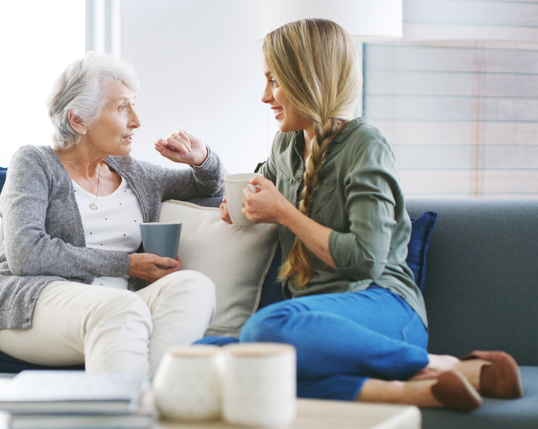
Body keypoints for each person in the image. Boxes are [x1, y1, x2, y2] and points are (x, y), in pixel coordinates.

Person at [213, 19, 522, 411]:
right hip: (317, 324)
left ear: (308, 79)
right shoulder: (285, 145)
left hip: (383, 312)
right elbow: (259, 188)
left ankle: (435, 363)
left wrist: (285, 214)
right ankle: (410, 391)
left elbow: (366, 260)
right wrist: (238, 207)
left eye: (275, 81)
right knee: (208, 353)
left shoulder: (365, 144)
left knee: (265, 329)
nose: (264, 96)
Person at [0, 52, 225, 378]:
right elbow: (25, 253)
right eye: (122, 107)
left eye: (133, 105)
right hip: (26, 301)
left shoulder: (135, 174)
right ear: (78, 120)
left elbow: (207, 183)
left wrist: (201, 159)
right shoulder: (35, 163)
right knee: (120, 309)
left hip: (114, 307)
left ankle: (151, 401)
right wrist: (127, 265)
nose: (136, 121)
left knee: (194, 286)